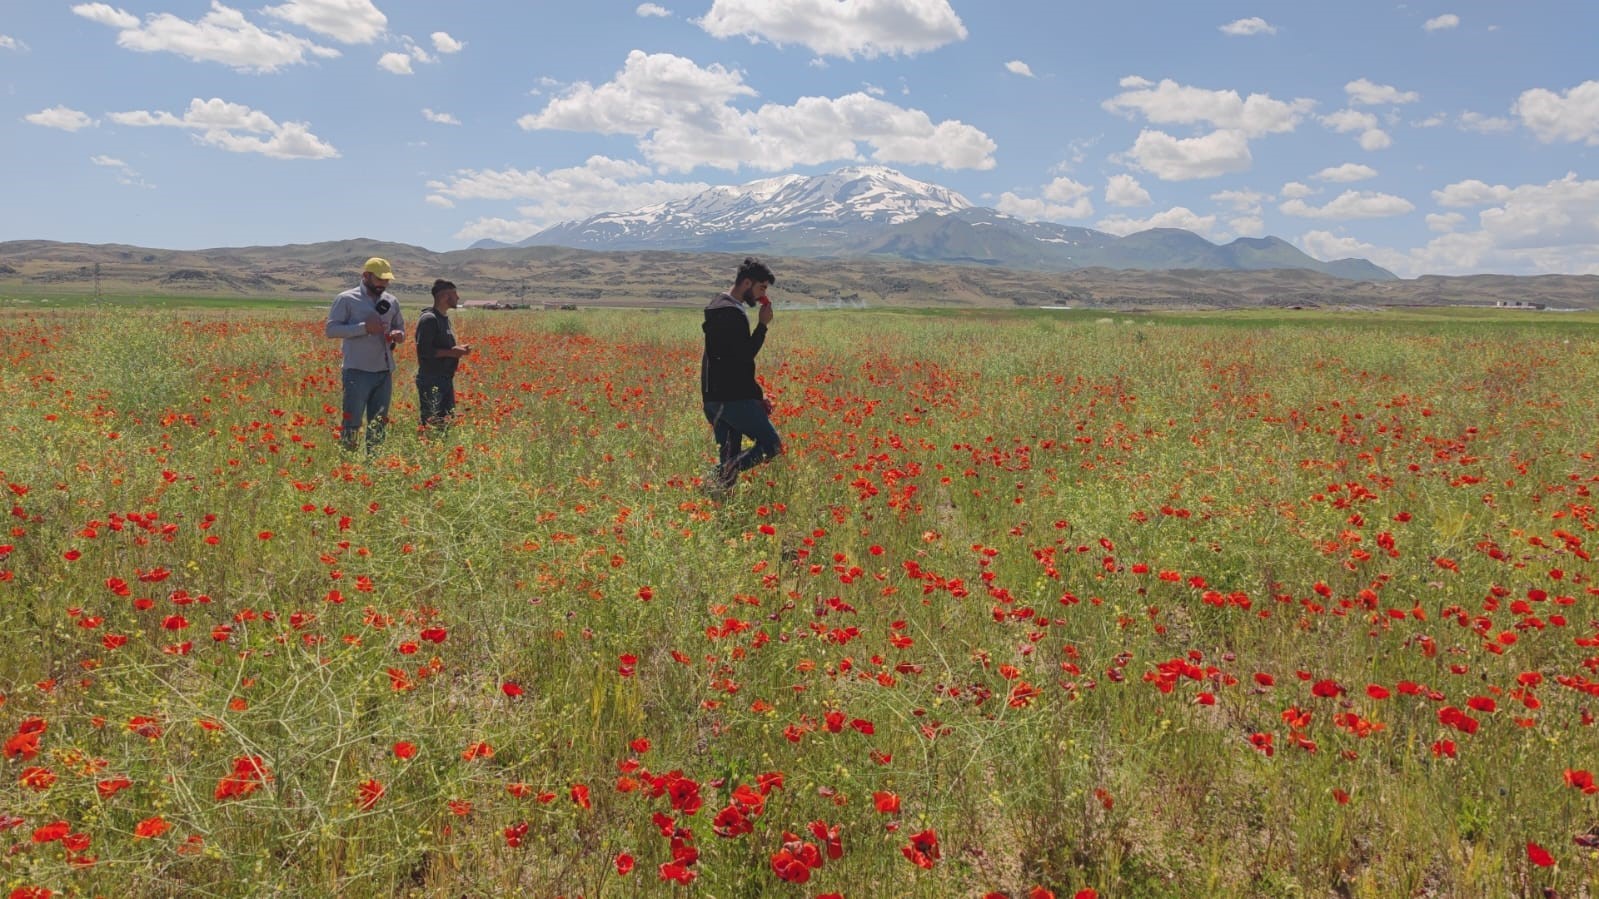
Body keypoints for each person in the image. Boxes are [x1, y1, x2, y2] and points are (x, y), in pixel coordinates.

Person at [701, 256, 782, 491]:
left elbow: (729, 359)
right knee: (771, 444)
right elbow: (743, 359)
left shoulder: (718, 306)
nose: (762, 295)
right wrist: (763, 326)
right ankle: (709, 481)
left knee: (730, 454)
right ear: (747, 283)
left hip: (714, 397)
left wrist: (755, 394)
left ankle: (717, 500)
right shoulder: (731, 314)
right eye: (761, 288)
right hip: (731, 397)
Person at [326, 257, 405, 452]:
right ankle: (348, 465)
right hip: (357, 370)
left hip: (384, 370)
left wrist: (398, 335)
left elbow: (399, 327)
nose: (384, 284)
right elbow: (332, 330)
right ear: (366, 276)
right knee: (352, 422)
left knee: (378, 422)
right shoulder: (346, 299)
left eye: (387, 281)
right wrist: (364, 328)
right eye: (380, 280)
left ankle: (374, 463)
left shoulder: (391, 301)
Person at [415, 279, 472, 433]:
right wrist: (453, 352)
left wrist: (457, 349)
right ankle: (427, 449)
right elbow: (424, 352)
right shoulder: (429, 319)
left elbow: (442, 347)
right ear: (444, 297)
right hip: (431, 378)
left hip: (444, 378)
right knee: (431, 421)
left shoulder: (443, 319)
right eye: (455, 294)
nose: (458, 298)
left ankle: (438, 449)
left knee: (445, 421)